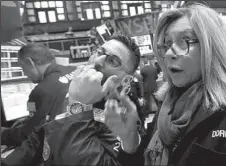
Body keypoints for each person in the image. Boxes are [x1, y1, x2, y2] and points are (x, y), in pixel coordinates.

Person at [102, 3, 226, 166]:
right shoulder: (167, 104)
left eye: (184, 41)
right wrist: (129, 139)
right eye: (166, 44)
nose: (169, 53)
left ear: (214, 46)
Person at [1, 34, 145, 166]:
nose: (98, 60)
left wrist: (78, 106)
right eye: (99, 52)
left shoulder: (123, 122)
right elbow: (36, 142)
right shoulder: (69, 94)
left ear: (125, 81)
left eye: (113, 61)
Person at [1, 44, 76, 147]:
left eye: (22, 67)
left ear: (29, 62)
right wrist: (31, 119)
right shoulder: (75, 69)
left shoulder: (40, 91)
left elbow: (28, 135)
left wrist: (4, 134)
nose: (25, 74)